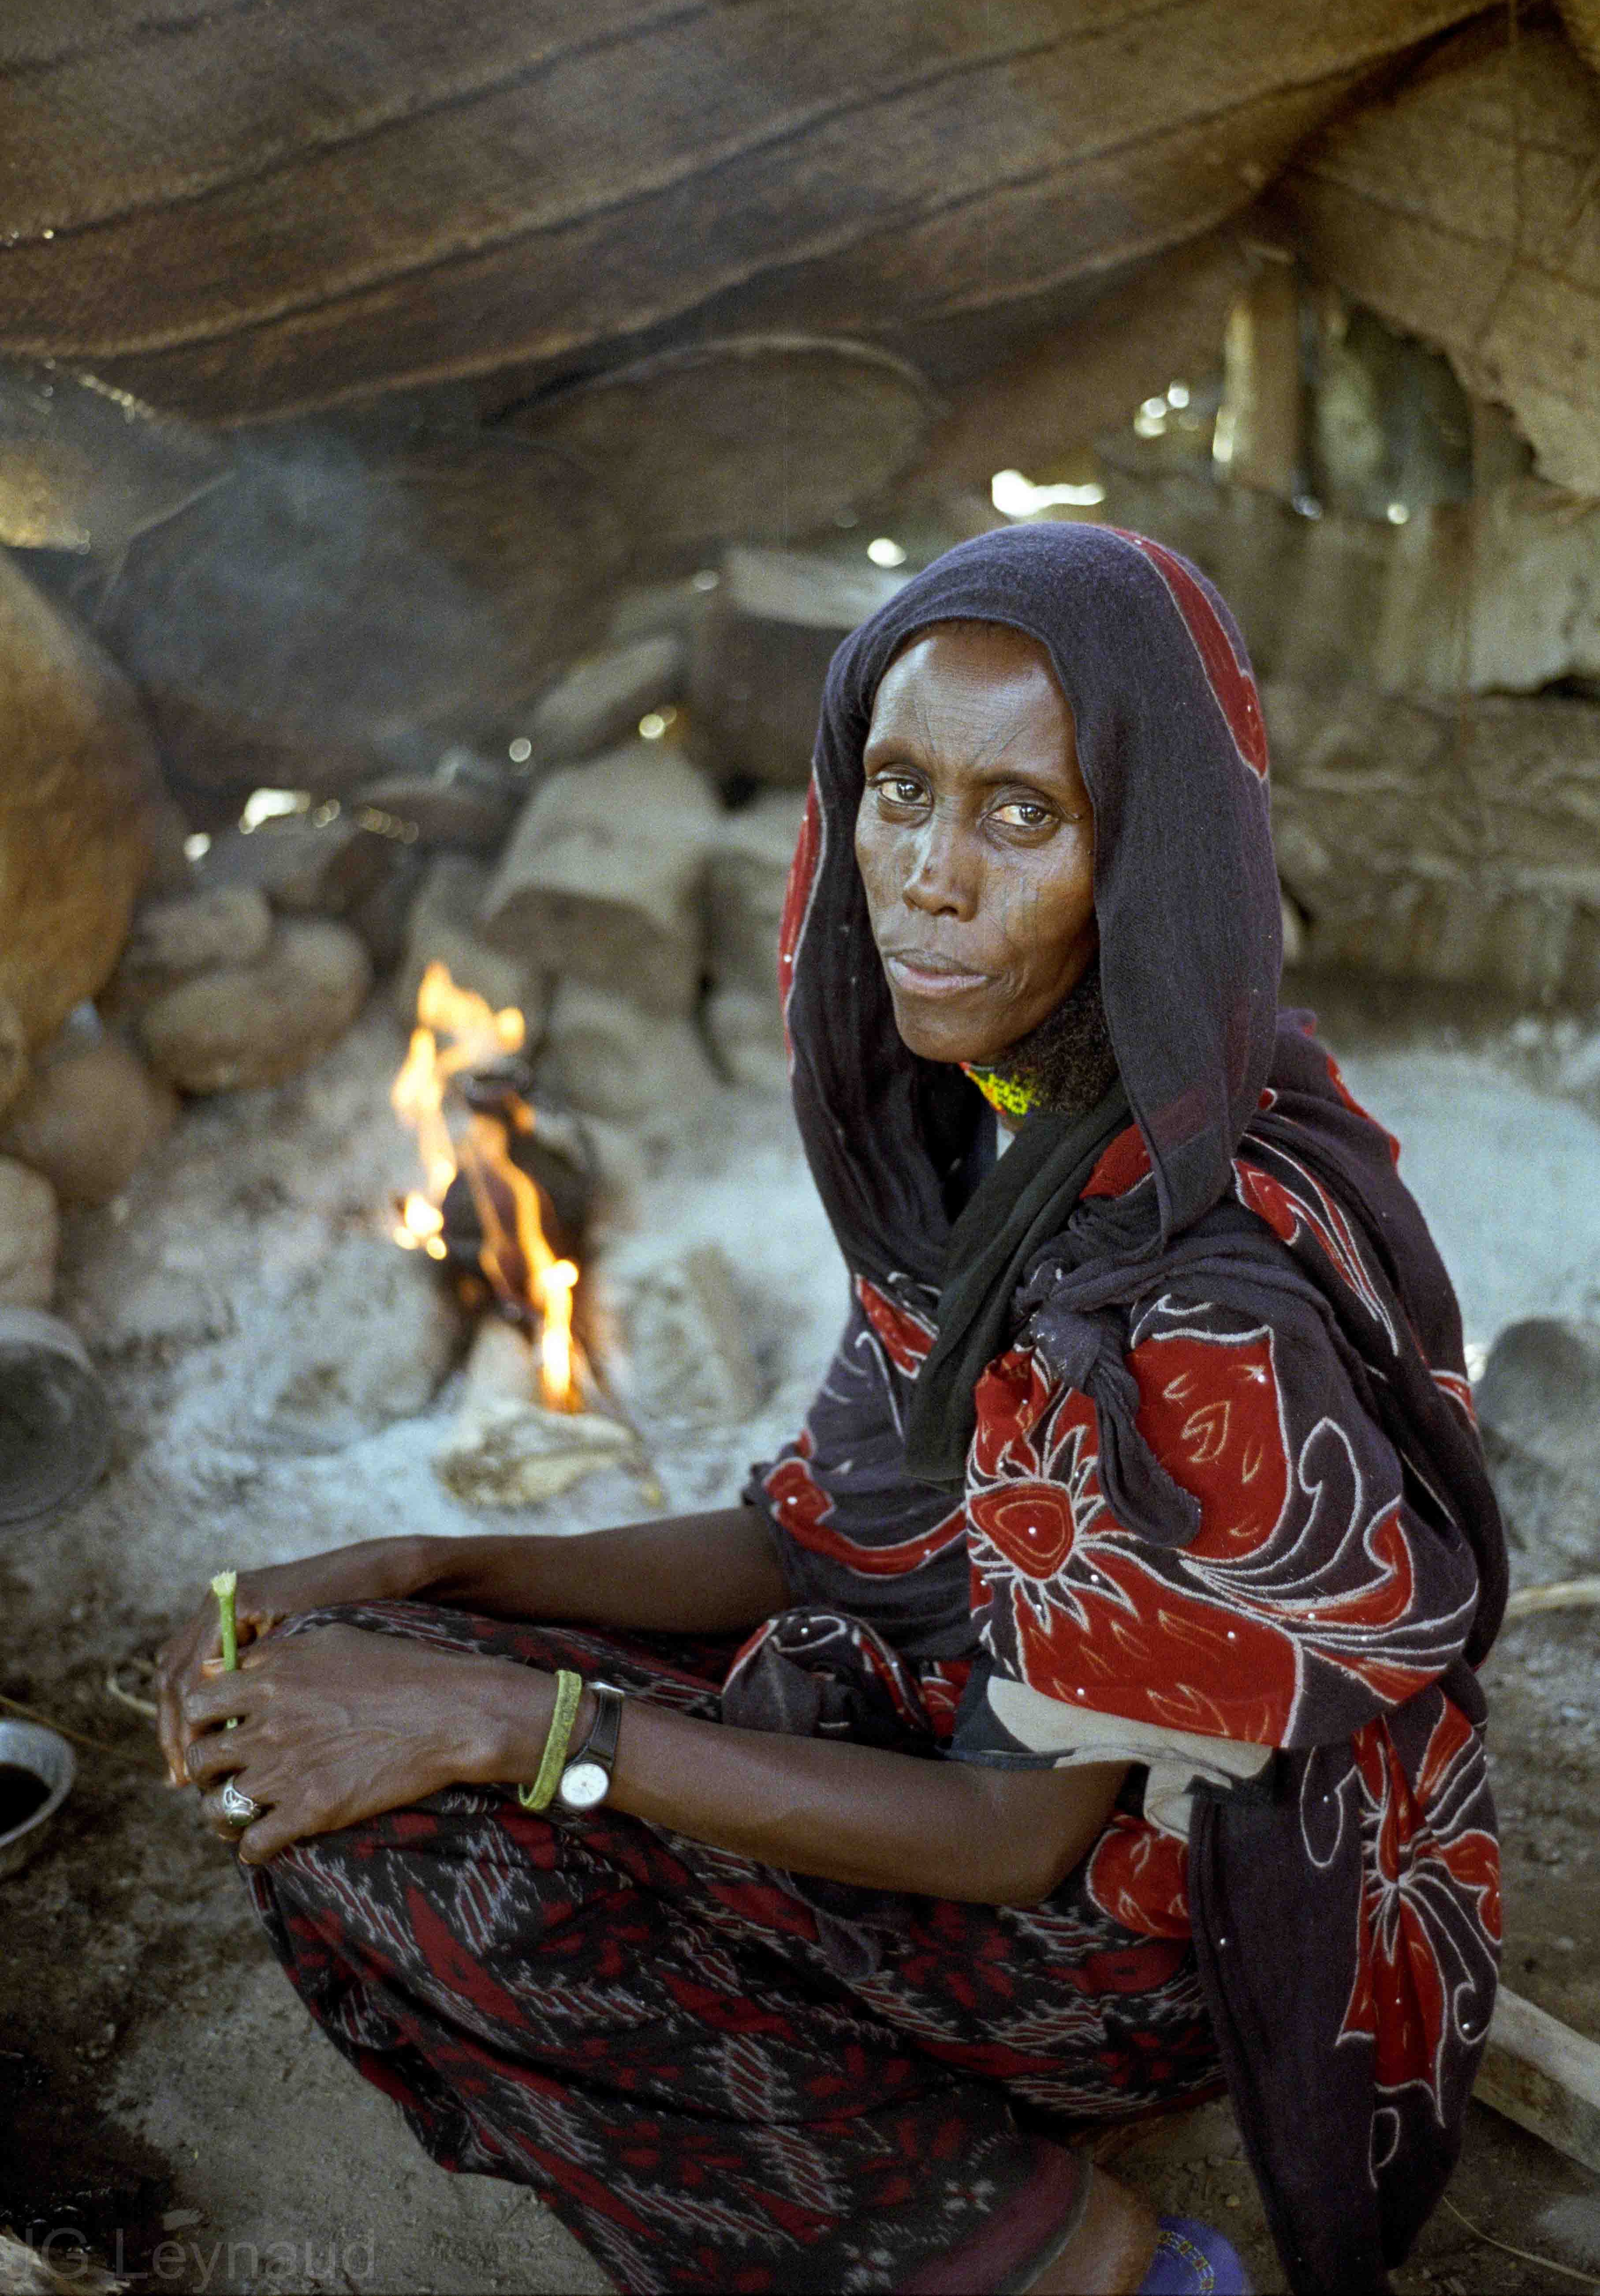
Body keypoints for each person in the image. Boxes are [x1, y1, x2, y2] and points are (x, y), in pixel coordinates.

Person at [157, 522, 1504, 2296]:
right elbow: (813, 1533)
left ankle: (1073, 2259)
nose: (929, 877)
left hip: (1159, 1941)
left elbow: (1013, 1836)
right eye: (897, 792)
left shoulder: (1186, 1301)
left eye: (1023, 815)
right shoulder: (1011, 1114)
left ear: (1146, 851)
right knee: (362, 1684)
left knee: (428, 1849)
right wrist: (423, 1569)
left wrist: (501, 1723)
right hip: (984, 1754)